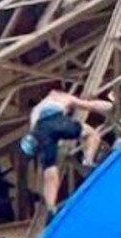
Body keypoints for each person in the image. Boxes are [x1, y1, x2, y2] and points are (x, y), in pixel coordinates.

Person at [21, 87, 113, 215]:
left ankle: (51, 206)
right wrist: (111, 105)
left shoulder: (36, 110)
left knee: (50, 172)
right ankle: (88, 160)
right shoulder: (63, 97)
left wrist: (50, 145)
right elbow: (91, 105)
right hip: (56, 120)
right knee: (92, 135)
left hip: (40, 131)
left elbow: (36, 132)